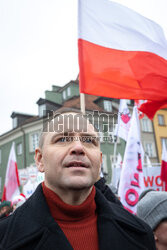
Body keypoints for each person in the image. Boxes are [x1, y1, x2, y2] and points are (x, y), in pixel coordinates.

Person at [0, 110, 156, 249]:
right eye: (62, 139)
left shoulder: (139, 233)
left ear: (100, 161)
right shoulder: (5, 238)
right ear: (40, 160)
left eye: (89, 141)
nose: (78, 148)